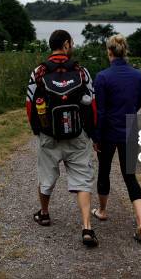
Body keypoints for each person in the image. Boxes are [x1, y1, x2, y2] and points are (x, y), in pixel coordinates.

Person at [26, 30, 99, 246]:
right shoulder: (82, 72)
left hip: (49, 136)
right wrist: (92, 134)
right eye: (72, 43)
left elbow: (30, 106)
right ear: (66, 44)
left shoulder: (38, 72)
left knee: (46, 176)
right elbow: (92, 105)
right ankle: (87, 227)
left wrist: (38, 131)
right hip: (77, 135)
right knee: (83, 180)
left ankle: (45, 213)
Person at [91, 34, 141, 242]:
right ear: (125, 51)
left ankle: (103, 211)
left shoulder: (102, 77)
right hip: (130, 128)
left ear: (109, 52)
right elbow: (138, 102)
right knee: (130, 175)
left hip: (108, 131)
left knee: (104, 170)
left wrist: (96, 136)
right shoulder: (138, 76)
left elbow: (101, 111)